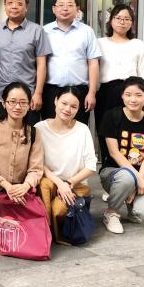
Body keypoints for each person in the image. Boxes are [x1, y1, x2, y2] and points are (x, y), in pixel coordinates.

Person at [98, 76, 144, 234]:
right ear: (122, 96)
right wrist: (138, 181)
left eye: (138, 95)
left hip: (142, 175)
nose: (133, 99)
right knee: (127, 177)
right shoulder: (112, 116)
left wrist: (139, 182)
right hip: (114, 173)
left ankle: (131, 205)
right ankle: (111, 212)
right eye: (128, 95)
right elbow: (114, 153)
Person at [35, 87, 97, 244]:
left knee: (59, 210)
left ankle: (55, 233)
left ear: (78, 109)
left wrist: (69, 183)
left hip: (74, 185)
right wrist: (60, 183)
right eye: (64, 103)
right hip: (51, 183)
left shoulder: (82, 130)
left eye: (73, 106)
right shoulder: (39, 128)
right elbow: (38, 163)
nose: (67, 109)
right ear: (55, 101)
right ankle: (44, 233)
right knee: (44, 184)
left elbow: (91, 166)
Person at [0, 0, 52, 125]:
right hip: (2, 95)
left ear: (26, 7)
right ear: (5, 6)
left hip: (28, 96)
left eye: (19, 3)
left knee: (28, 132)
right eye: (10, 3)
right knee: (3, 131)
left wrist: (38, 93)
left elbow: (41, 64)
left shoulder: (37, 31)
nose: (14, 6)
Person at [0, 82, 44, 225]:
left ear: (29, 105)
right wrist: (7, 187)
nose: (17, 107)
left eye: (23, 102)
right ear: (4, 103)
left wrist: (25, 186)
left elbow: (36, 169)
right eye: (12, 102)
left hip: (23, 192)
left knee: (26, 230)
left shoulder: (34, 133)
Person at [96, 4, 144, 155]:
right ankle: (108, 164)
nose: (122, 22)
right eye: (118, 18)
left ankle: (132, 164)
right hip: (106, 93)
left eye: (127, 19)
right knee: (105, 129)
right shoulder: (100, 43)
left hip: (131, 93)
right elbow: (92, 69)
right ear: (111, 20)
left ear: (131, 23)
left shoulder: (137, 44)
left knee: (131, 131)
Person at [42, 0, 102, 125]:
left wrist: (92, 93)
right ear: (54, 9)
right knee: (50, 130)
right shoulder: (44, 31)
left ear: (77, 9)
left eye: (70, 5)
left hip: (79, 91)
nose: (65, 8)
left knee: (77, 130)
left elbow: (93, 63)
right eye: (61, 5)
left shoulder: (87, 31)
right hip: (51, 91)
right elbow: (40, 63)